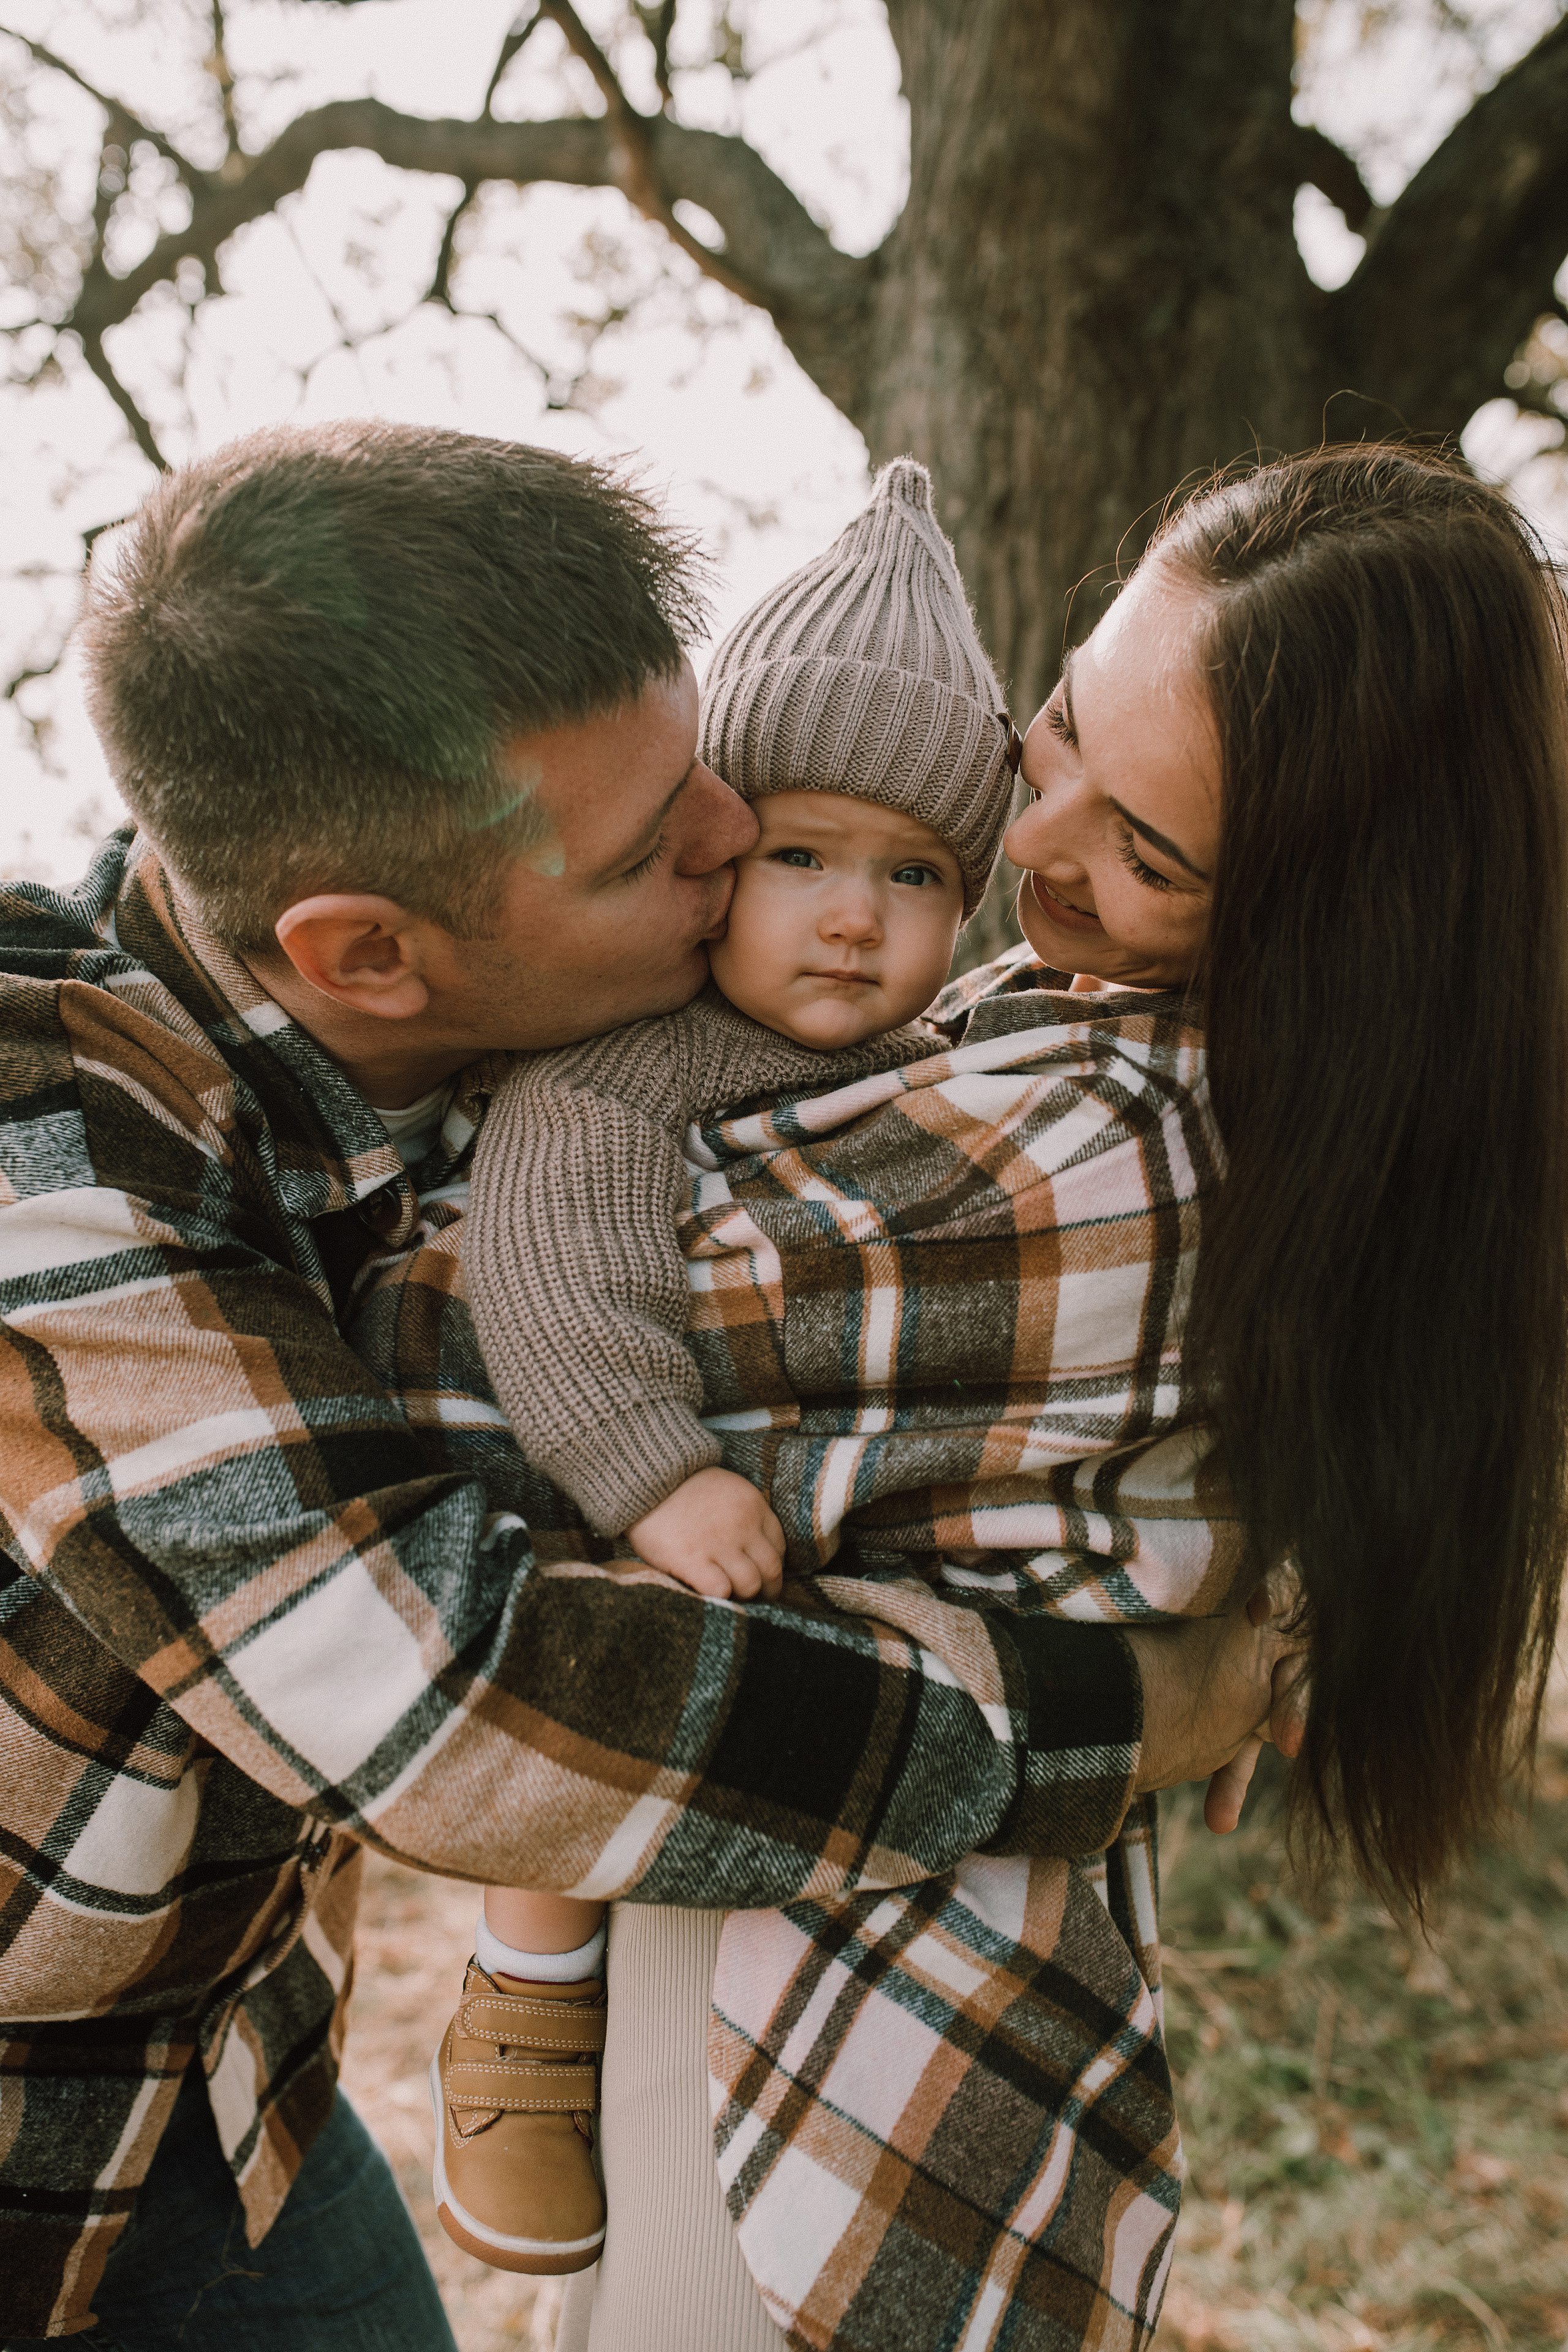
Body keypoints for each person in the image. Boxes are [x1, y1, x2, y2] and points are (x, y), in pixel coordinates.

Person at [0, 421, 1289, 2348]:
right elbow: (460, 1696)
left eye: (699, 764)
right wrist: (1107, 1716)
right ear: (368, 952)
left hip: (225, 2086)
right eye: (646, 845)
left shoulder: (496, 1064)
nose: (727, 836)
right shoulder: (41, 1149)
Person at [536, 443, 1568, 2352]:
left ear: (1346, 919)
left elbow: (459, 1323)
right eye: (1062, 731)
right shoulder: (1204, 1074)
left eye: (1150, 852)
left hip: (838, 2015)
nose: (1035, 846)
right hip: (839, 1911)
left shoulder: (1117, 1137)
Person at [431, 459, 1244, 2292]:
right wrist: (649, 1467)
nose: (856, 918)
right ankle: (519, 2006)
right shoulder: (634, 1068)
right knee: (585, 1625)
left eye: (917, 872)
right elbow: (551, 1263)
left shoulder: (964, 1060)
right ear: (716, 853)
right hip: (611, 1502)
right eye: (799, 856)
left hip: (856, 1720)